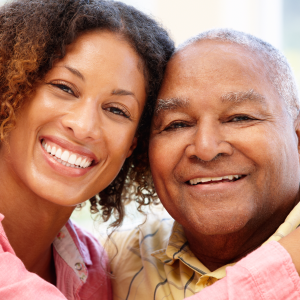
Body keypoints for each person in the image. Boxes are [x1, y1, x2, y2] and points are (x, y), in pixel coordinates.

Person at [108, 29, 300, 299]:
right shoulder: (109, 266)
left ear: (298, 138)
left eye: (239, 118)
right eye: (178, 124)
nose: (206, 149)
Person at [0, 0, 174, 299]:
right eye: (64, 88)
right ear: (11, 88)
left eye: (117, 110)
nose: (84, 127)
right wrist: (284, 256)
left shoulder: (94, 268)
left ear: (135, 142)